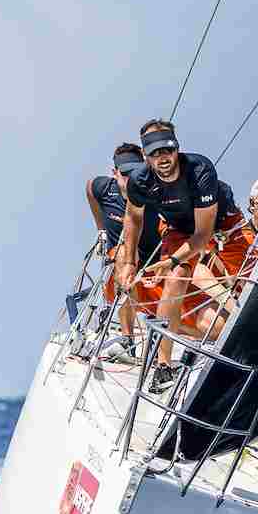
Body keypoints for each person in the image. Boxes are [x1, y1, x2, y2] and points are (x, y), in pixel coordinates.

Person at [117, 120, 256, 376]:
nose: (163, 158)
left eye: (167, 150)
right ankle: (163, 365)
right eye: (155, 153)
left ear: (176, 148)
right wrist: (128, 261)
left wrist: (170, 260)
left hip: (222, 224)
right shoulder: (139, 181)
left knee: (255, 279)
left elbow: (203, 236)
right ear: (146, 157)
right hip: (180, 229)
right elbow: (133, 217)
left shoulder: (200, 169)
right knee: (176, 278)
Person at [85, 143, 164, 357]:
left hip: (152, 260)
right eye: (125, 174)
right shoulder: (103, 188)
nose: (130, 179)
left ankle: (159, 346)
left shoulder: (153, 193)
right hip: (121, 260)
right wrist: (101, 229)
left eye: (136, 172)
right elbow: (90, 188)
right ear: (115, 173)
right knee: (122, 255)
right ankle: (128, 341)